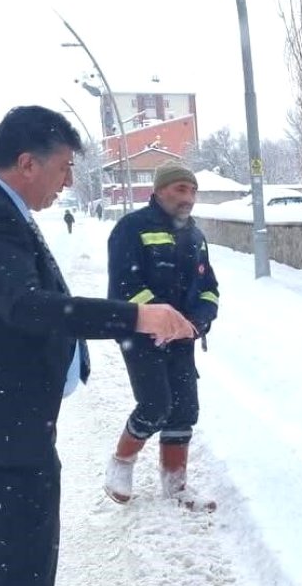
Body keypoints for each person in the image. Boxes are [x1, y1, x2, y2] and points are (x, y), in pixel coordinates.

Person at [0, 105, 197, 586]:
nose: (68, 181)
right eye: (63, 167)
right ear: (27, 163)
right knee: (22, 568)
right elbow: (26, 306)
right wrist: (139, 316)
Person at [104, 160, 220, 511]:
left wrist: (197, 322)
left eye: (193, 191)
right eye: (180, 189)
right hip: (140, 334)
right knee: (155, 405)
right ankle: (121, 462)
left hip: (182, 337)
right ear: (158, 191)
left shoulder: (196, 237)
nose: (189, 198)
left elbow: (208, 288)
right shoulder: (131, 228)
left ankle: (176, 485)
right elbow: (125, 286)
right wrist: (163, 319)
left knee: (184, 409)